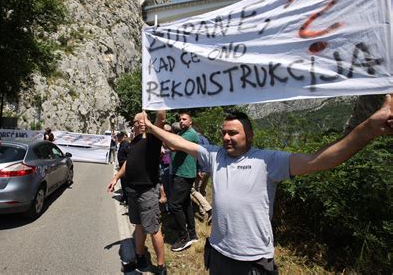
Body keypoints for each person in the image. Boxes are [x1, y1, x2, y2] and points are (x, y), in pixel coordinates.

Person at [143, 94, 393, 275]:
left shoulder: (267, 160)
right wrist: (152, 126)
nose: (226, 137)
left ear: (250, 135)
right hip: (219, 254)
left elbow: (320, 160)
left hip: (254, 260)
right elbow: (176, 142)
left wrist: (368, 129)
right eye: (224, 133)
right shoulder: (214, 155)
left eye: (234, 133)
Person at [107, 111, 167, 275]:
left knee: (153, 229)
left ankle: (161, 267)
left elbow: (161, 117)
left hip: (147, 191)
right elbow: (128, 163)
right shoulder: (133, 142)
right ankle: (140, 258)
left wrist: (154, 112)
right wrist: (116, 177)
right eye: (137, 121)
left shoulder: (153, 138)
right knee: (138, 226)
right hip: (132, 191)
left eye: (143, 120)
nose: (139, 123)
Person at [168, 111, 199, 252]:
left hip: (184, 174)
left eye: (184, 119)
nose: (181, 121)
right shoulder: (181, 133)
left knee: (174, 204)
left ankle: (183, 237)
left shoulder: (190, 134)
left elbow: (174, 146)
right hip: (180, 173)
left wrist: (162, 134)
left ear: (190, 121)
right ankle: (192, 234)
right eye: (180, 119)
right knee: (185, 204)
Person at [191, 131, 212, 223]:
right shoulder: (206, 139)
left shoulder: (197, 140)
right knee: (202, 189)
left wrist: (199, 169)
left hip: (202, 169)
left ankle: (207, 209)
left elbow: (199, 154)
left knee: (194, 190)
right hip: (208, 169)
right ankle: (202, 211)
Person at [116, 131, 130, 205]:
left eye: (120, 136)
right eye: (118, 136)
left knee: (125, 184)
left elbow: (129, 156)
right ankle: (125, 197)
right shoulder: (121, 144)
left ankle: (127, 200)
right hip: (121, 166)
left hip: (125, 167)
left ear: (124, 136)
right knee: (123, 183)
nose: (119, 138)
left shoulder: (126, 145)